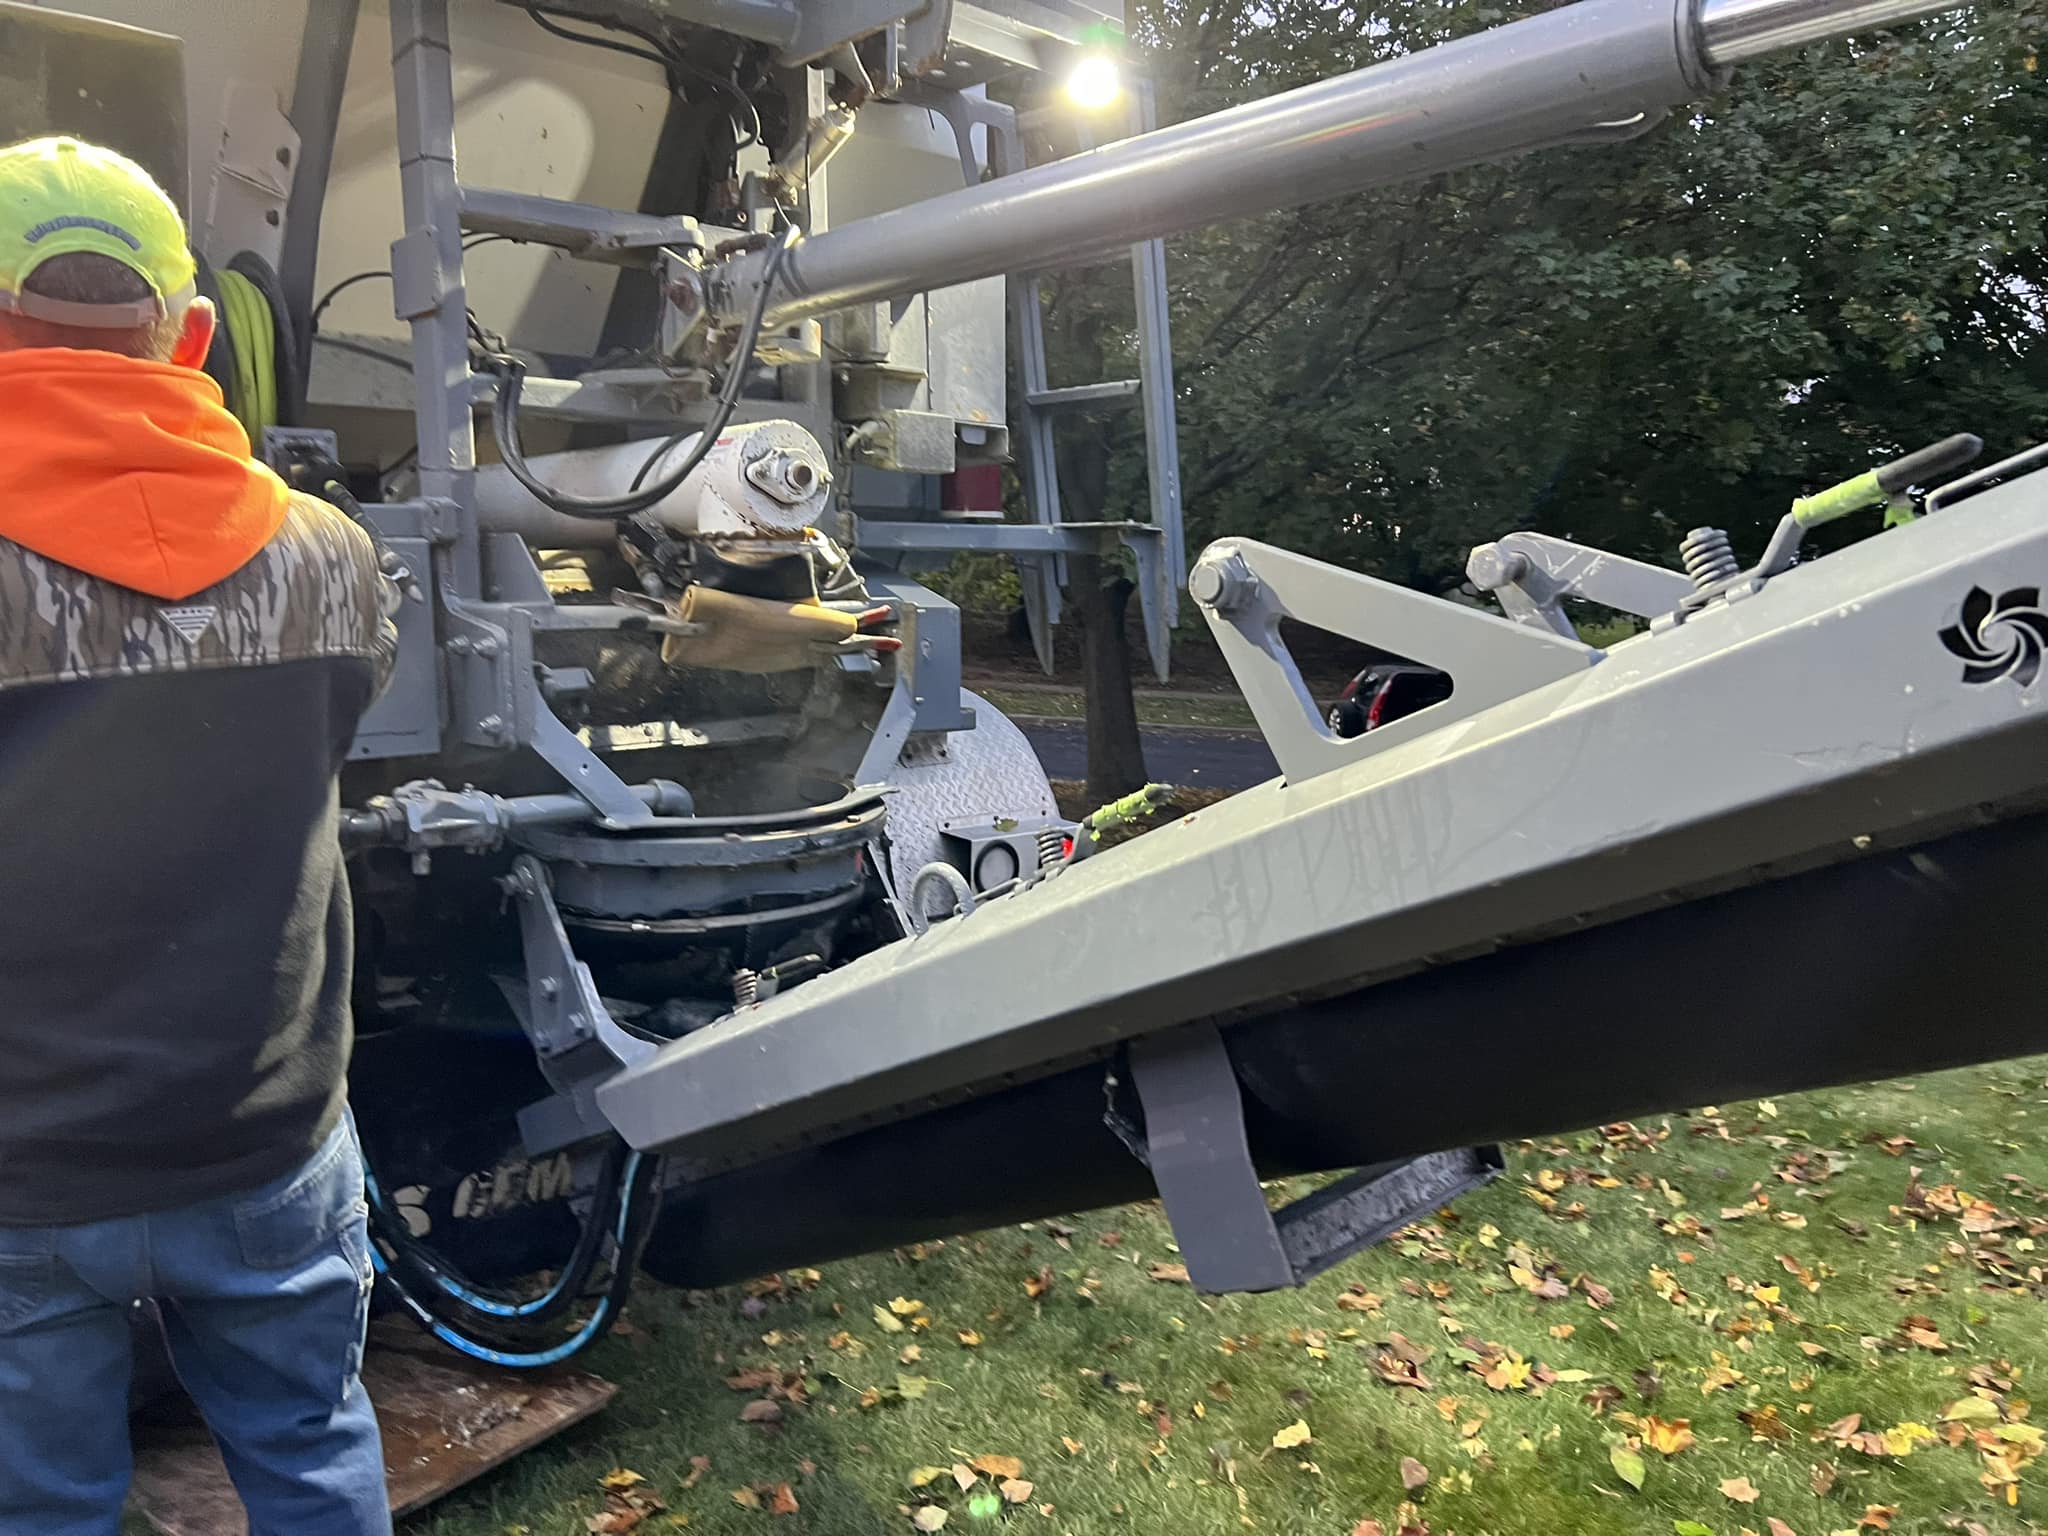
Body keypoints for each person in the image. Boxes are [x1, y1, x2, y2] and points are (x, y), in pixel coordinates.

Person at [0, 137, 396, 1535]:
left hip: (22, 1165)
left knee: (40, 1506)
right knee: (310, 1448)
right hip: (268, 1133)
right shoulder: (330, 557)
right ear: (195, 335)